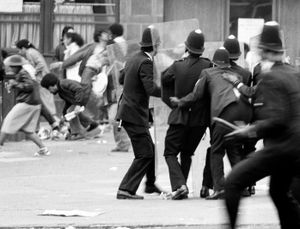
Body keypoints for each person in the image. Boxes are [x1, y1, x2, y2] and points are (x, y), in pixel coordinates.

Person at [224, 21, 300, 229]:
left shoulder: (271, 77)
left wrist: (250, 130)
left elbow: (278, 120)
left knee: (233, 182)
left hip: (283, 148)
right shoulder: (294, 73)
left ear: (264, 52)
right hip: (295, 149)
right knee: (279, 192)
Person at [170, 48, 252, 200]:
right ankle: (243, 187)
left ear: (214, 63)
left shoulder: (208, 73)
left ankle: (220, 188)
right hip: (243, 114)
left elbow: (196, 95)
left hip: (224, 113)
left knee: (216, 150)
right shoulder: (237, 75)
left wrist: (180, 101)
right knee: (233, 148)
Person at [162, 29, 211, 200]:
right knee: (187, 153)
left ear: (187, 46)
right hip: (199, 121)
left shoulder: (177, 65)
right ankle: (182, 187)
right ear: (202, 48)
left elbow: (164, 79)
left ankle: (180, 185)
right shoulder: (208, 65)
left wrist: (172, 102)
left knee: (169, 152)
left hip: (180, 117)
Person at [115, 27, 162, 200]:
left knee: (149, 148)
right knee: (145, 153)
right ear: (156, 45)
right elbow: (149, 87)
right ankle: (125, 189)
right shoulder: (146, 62)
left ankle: (149, 184)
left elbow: (121, 79)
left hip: (129, 111)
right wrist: (168, 92)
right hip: (133, 113)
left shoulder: (133, 58)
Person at [0, 55, 50, 156]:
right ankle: (43, 148)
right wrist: (14, 84)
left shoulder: (23, 73)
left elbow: (29, 86)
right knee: (28, 130)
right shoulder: (22, 73)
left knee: (7, 121)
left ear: (15, 66)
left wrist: (15, 84)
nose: (9, 68)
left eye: (11, 66)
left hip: (27, 103)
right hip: (34, 104)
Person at [40, 73, 100, 138]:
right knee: (72, 113)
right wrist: (64, 115)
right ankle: (92, 125)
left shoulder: (63, 83)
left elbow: (79, 89)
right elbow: (68, 103)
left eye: (49, 89)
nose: (50, 92)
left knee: (71, 111)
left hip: (85, 95)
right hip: (80, 99)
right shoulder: (61, 93)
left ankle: (77, 132)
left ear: (53, 85)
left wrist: (78, 104)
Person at [108, 23, 131, 152]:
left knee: (115, 114)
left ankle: (123, 142)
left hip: (116, 82)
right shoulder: (125, 43)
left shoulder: (112, 44)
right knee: (118, 113)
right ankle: (123, 142)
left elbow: (112, 61)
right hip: (122, 81)